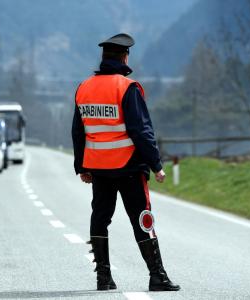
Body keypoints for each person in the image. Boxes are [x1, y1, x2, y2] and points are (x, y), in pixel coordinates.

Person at [71, 33, 180, 292]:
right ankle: (157, 276)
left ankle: (104, 278)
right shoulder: (127, 87)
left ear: (103, 58)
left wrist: (82, 166)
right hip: (130, 167)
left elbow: (78, 131)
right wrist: (156, 164)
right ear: (125, 57)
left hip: (99, 168)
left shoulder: (84, 88)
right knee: (142, 218)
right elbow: (141, 130)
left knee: (100, 217)